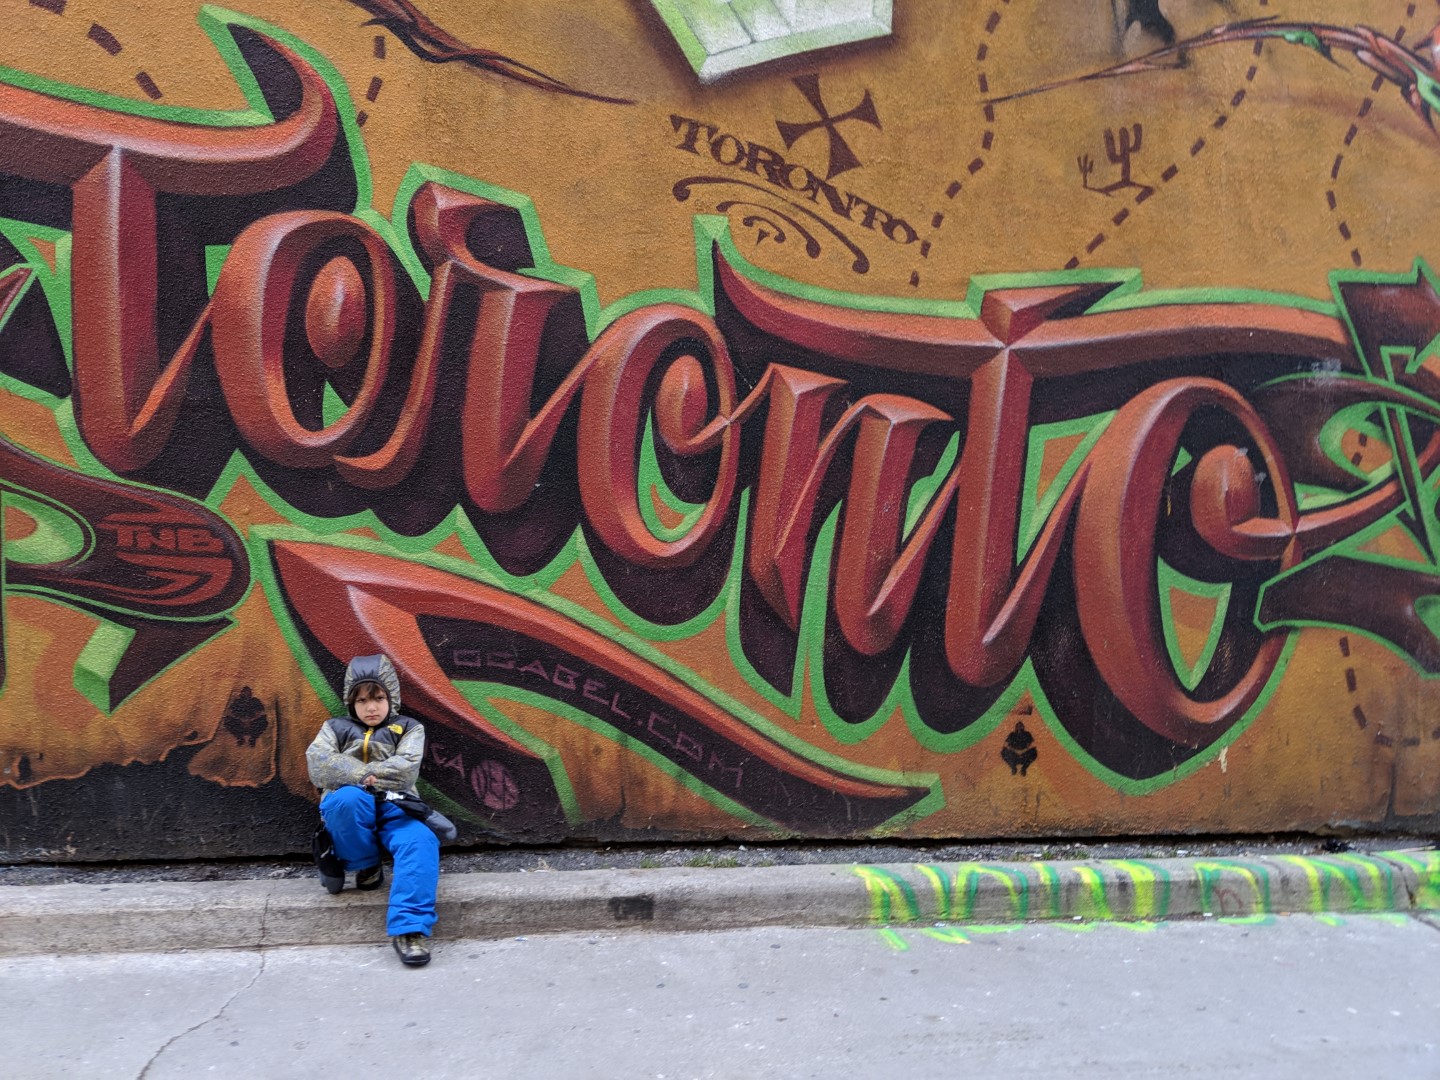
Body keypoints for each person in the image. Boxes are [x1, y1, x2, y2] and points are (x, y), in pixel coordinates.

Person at [306, 653, 440, 966]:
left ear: (390, 698)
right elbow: (318, 763)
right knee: (346, 800)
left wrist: (369, 775)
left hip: (396, 806)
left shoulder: (409, 728)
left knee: (421, 841)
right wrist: (358, 776)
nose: (371, 707)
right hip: (351, 808)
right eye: (362, 700)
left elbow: (406, 768)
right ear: (350, 701)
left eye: (378, 698)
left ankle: (410, 929)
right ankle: (367, 866)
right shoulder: (334, 728)